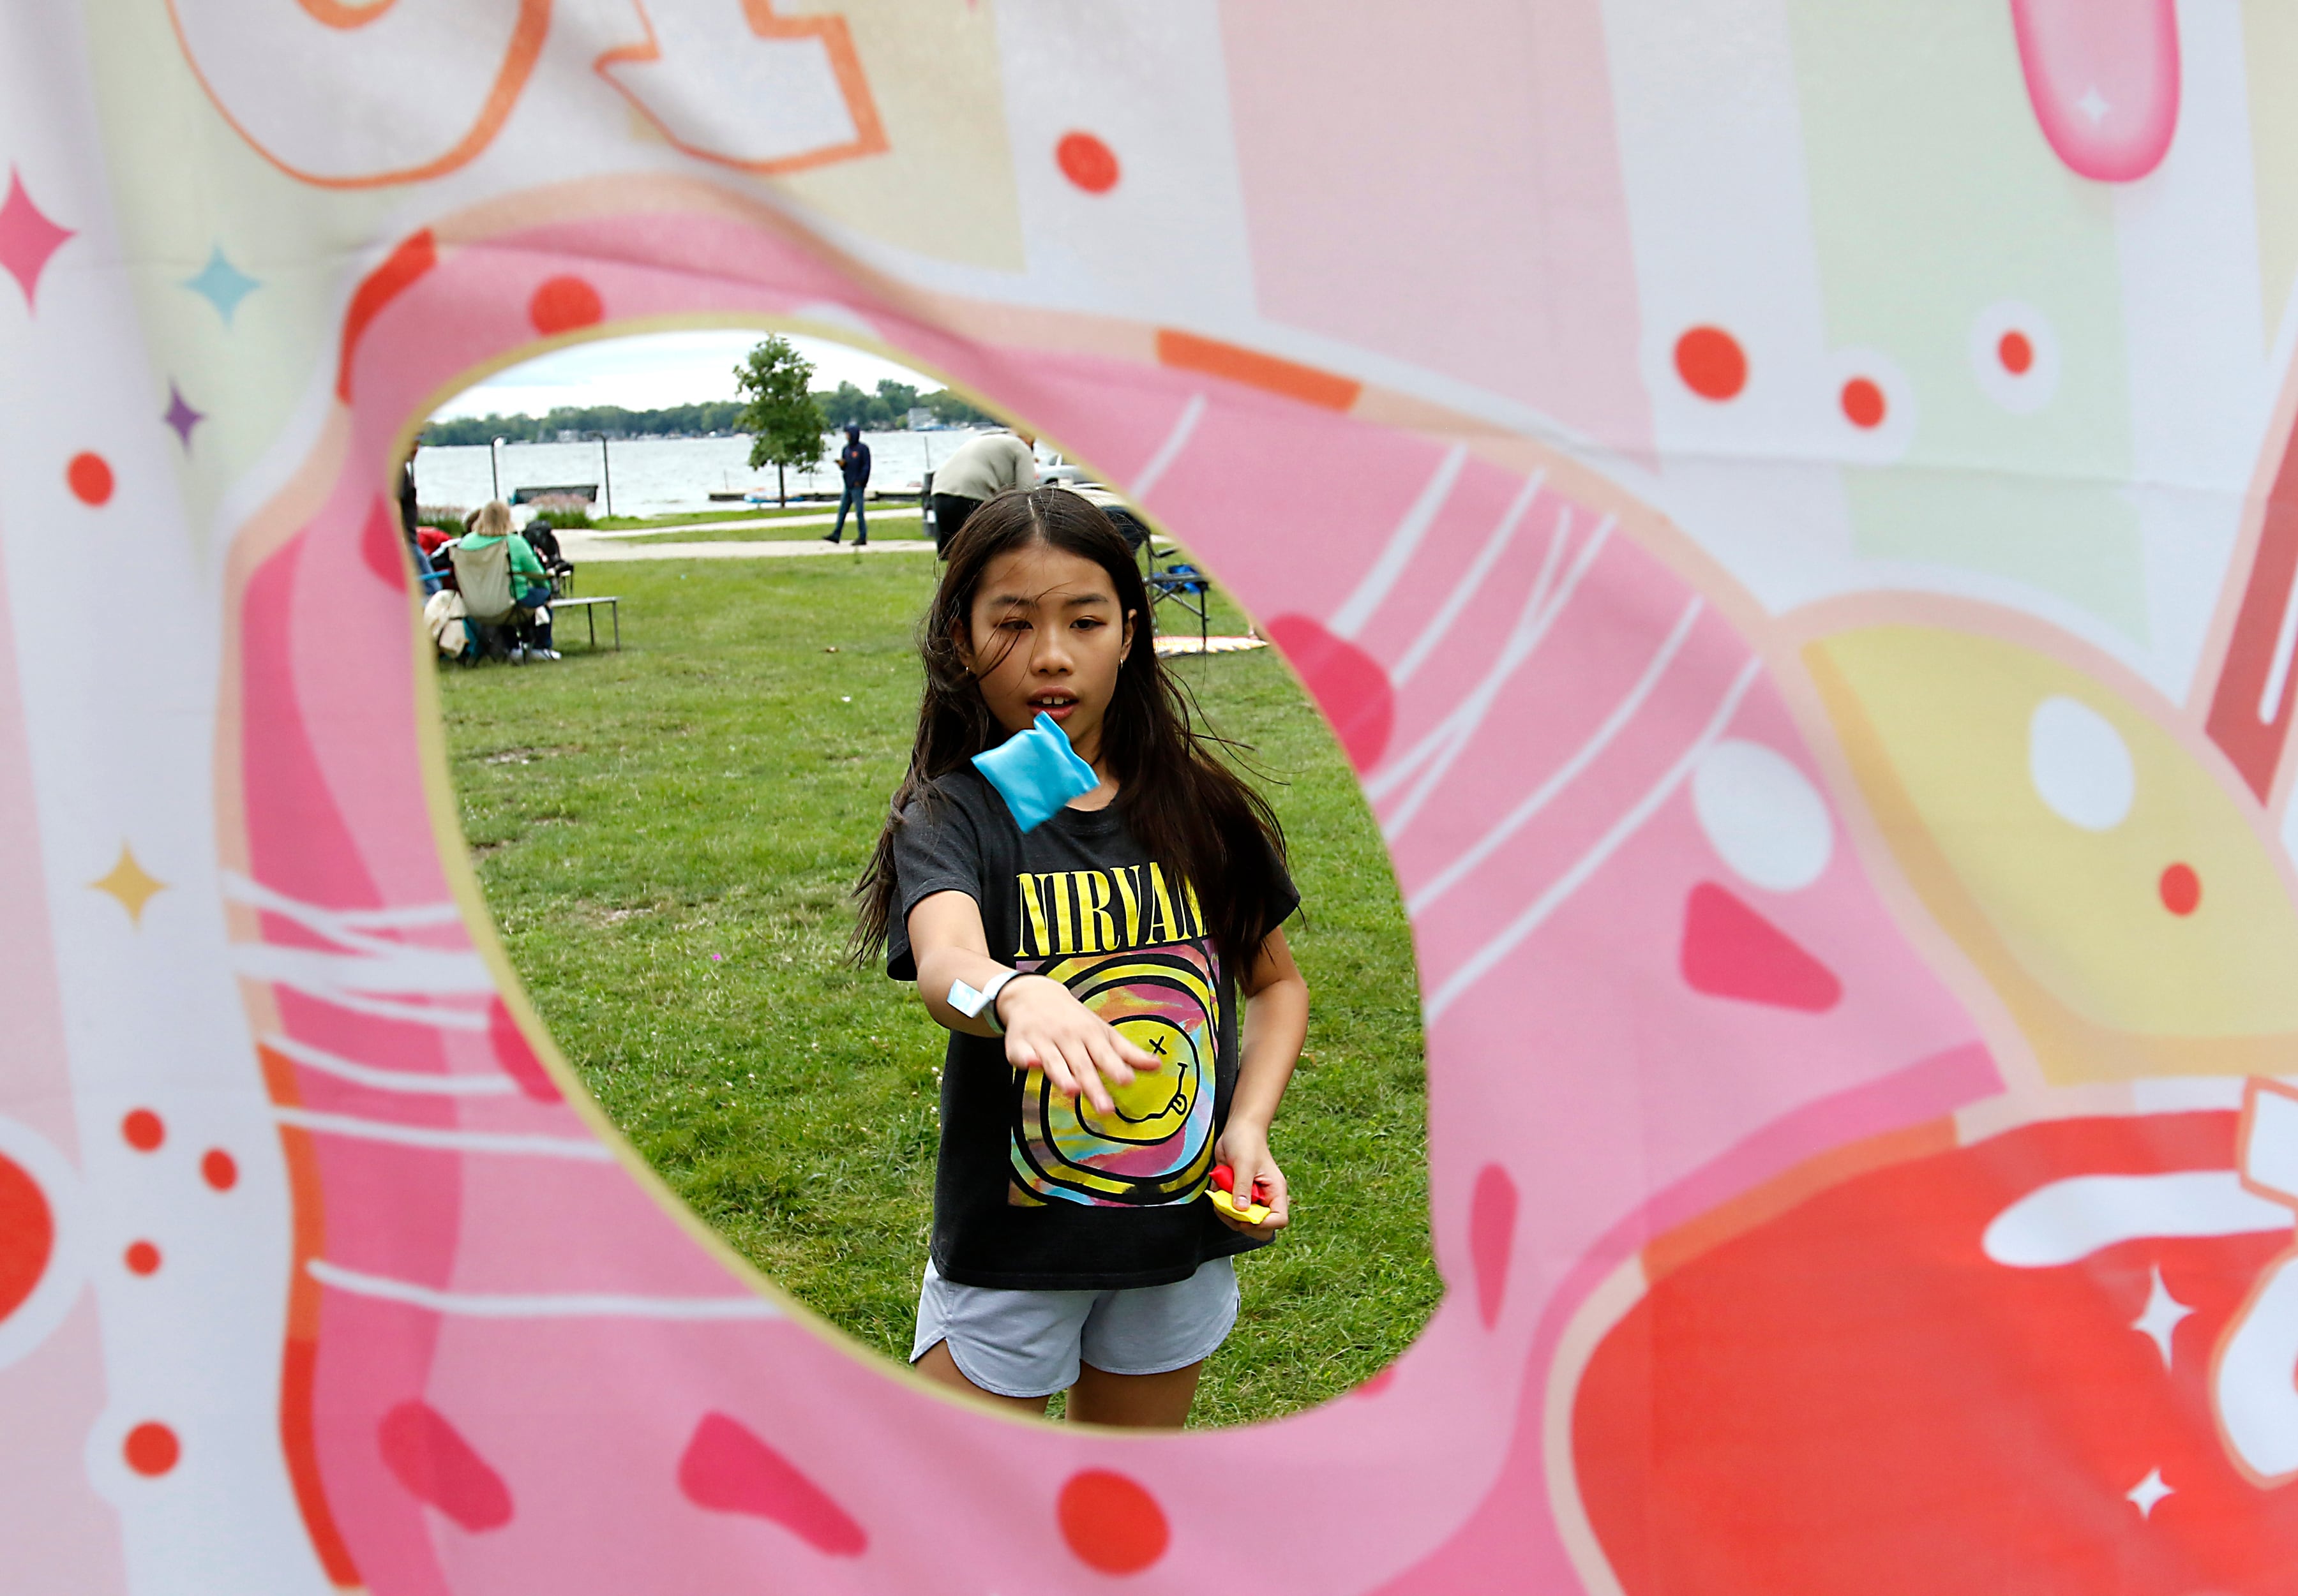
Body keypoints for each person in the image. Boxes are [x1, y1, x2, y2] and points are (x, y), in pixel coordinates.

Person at [854, 486, 1307, 1428]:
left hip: (1172, 1248)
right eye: (1012, 623)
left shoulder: (1199, 809)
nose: (1052, 654)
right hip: (1011, 1258)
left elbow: (1275, 984)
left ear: (1131, 631)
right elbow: (946, 963)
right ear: (959, 635)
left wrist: (1248, 1124)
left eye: (1085, 619)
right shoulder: (953, 814)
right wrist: (1017, 994)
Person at [454, 501, 559, 661]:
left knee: (504, 597)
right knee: (538, 595)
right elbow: (537, 575)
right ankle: (540, 646)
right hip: (508, 605)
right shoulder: (514, 543)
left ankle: (512, 647)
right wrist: (547, 587)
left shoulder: (467, 543)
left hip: (474, 606)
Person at [928, 426, 1037, 556]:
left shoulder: (983, 439)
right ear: (1030, 439)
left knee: (952, 554)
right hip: (974, 494)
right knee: (983, 553)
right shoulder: (1021, 447)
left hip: (940, 491)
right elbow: (1026, 492)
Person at [825, 422, 871, 546]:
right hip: (848, 484)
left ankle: (862, 536)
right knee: (842, 511)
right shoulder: (846, 449)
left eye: (848, 434)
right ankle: (836, 534)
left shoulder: (863, 449)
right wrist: (842, 465)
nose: (846, 436)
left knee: (859, 512)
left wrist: (861, 481)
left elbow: (866, 467)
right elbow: (846, 466)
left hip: (857, 485)